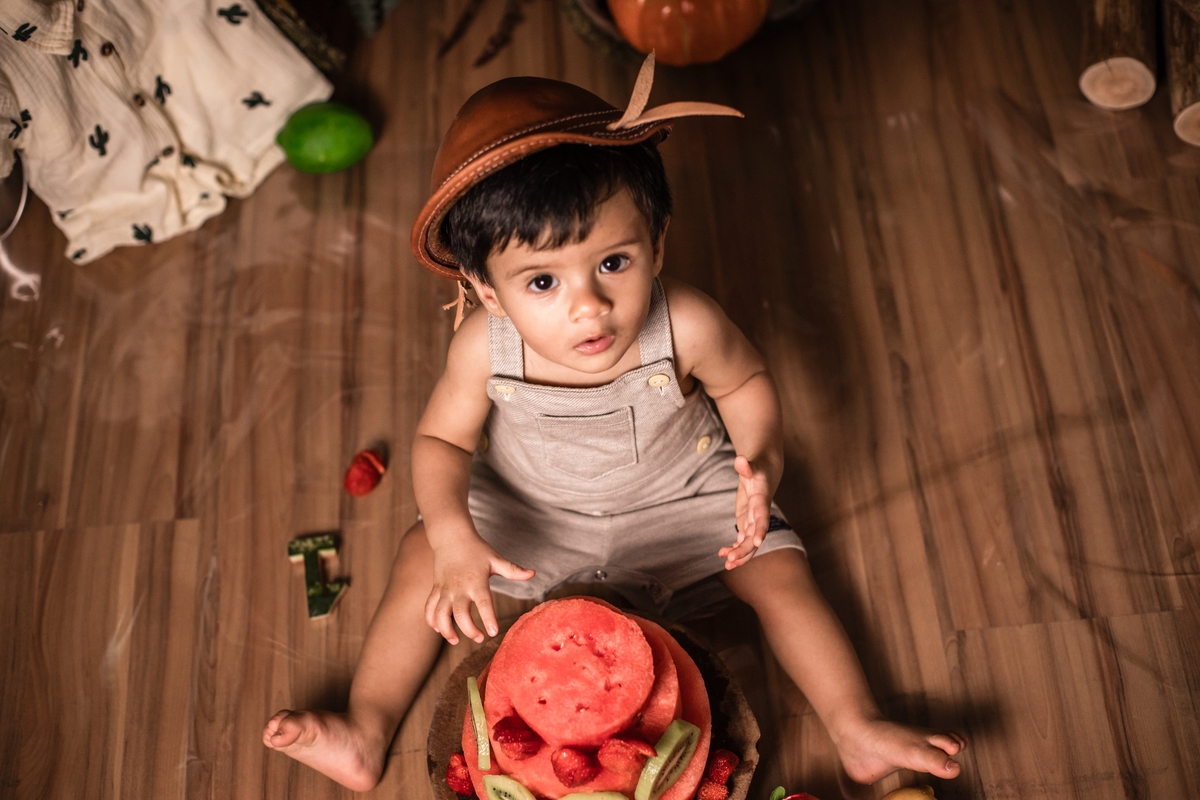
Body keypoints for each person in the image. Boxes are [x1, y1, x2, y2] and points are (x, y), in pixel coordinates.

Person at [262, 56, 967, 793]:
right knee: (417, 557)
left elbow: (748, 383)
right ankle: (365, 726)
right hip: (538, 511)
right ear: (485, 291)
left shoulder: (685, 321)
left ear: (656, 244)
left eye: (615, 263)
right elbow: (441, 442)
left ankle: (856, 725)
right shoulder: (482, 346)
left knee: (782, 574)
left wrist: (761, 463)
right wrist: (449, 534)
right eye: (542, 281)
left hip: (681, 502)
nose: (589, 307)